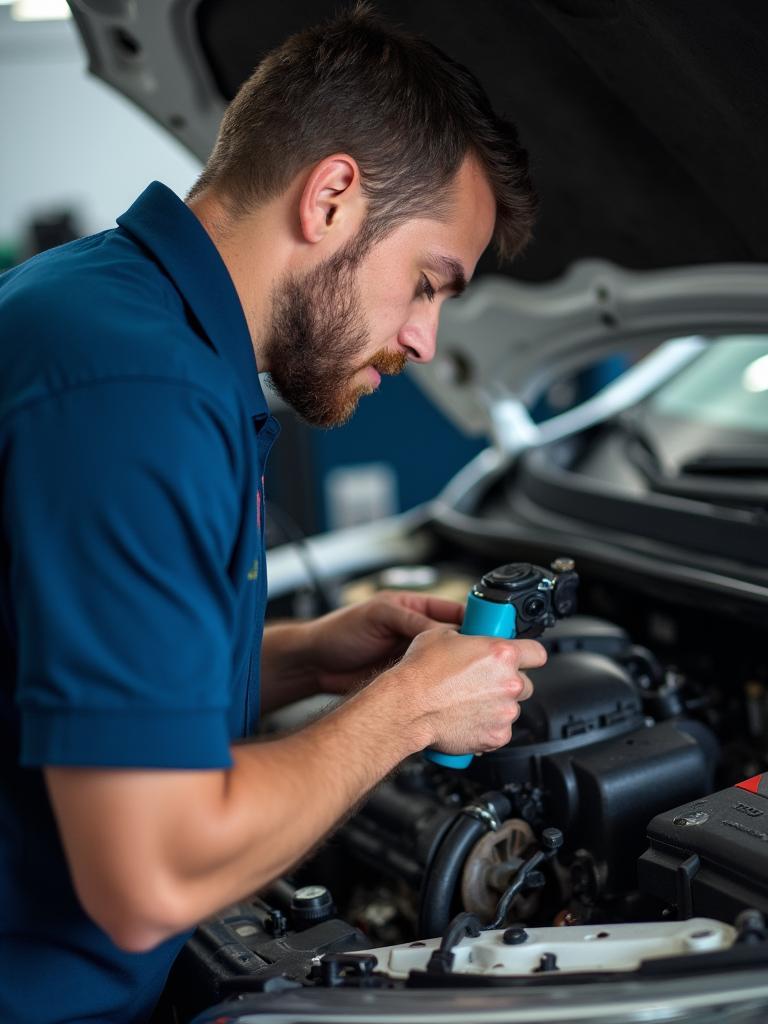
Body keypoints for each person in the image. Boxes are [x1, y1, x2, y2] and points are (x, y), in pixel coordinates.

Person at [0, 6, 542, 1022]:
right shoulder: (137, 394)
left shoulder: (107, 310)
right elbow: (150, 876)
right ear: (332, 196)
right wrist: (405, 712)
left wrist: (298, 658)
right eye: (427, 283)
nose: (424, 340)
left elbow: (48, 667)